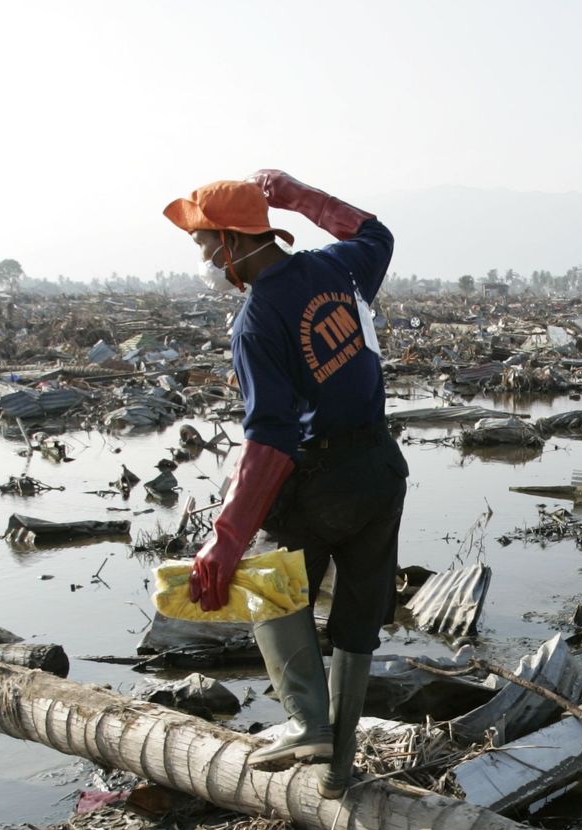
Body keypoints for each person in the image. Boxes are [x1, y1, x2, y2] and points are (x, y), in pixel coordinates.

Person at [162, 171, 404, 797]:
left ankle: (305, 724)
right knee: (356, 619)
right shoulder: (340, 270)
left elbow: (269, 440)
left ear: (236, 241)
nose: (206, 259)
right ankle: (338, 772)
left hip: (319, 482)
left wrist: (227, 538)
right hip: (379, 469)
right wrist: (297, 195)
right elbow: (375, 232)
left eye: (206, 244)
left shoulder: (258, 321)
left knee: (272, 586)